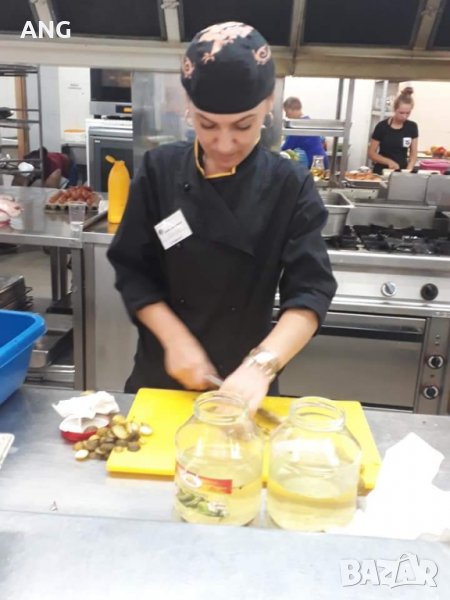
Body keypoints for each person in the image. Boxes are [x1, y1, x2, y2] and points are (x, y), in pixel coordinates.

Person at [107, 22, 337, 413]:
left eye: (243, 125)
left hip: (247, 383)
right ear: (189, 106)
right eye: (207, 124)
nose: (225, 144)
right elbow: (133, 271)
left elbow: (310, 291)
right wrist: (175, 339)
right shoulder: (159, 170)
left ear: (268, 103)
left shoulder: (290, 185)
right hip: (162, 377)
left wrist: (262, 365)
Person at [368, 87, 419, 174]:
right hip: (381, 171)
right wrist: (388, 162)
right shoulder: (382, 127)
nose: (404, 116)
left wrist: (407, 171)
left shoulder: (412, 127)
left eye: (408, 113)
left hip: (401, 172)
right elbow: (371, 153)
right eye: (401, 113)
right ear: (395, 110)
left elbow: (413, 155)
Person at [281, 96, 329, 169]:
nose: (286, 115)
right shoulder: (307, 121)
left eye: (286, 112)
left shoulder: (298, 126)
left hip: (316, 163)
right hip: (320, 159)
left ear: (291, 110)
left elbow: (286, 148)